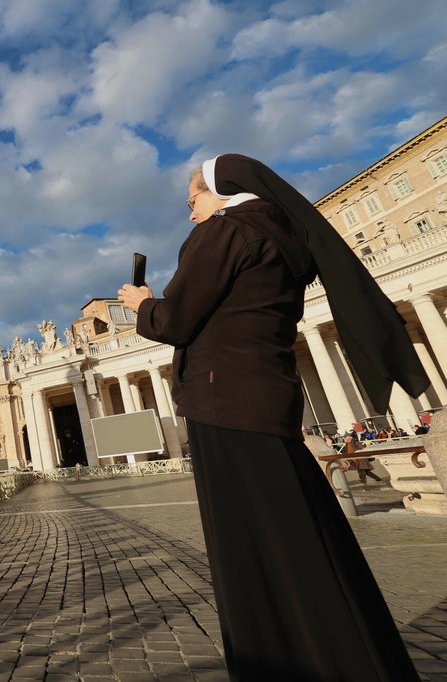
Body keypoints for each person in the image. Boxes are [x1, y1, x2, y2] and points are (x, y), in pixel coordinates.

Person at [117, 153, 428, 681]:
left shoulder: (225, 233)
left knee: (253, 548)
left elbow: (175, 320)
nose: (191, 214)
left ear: (222, 191)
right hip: (268, 398)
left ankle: (284, 658)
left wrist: (140, 303)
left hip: (224, 403)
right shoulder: (283, 240)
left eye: (193, 201)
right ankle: (349, 651)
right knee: (299, 531)